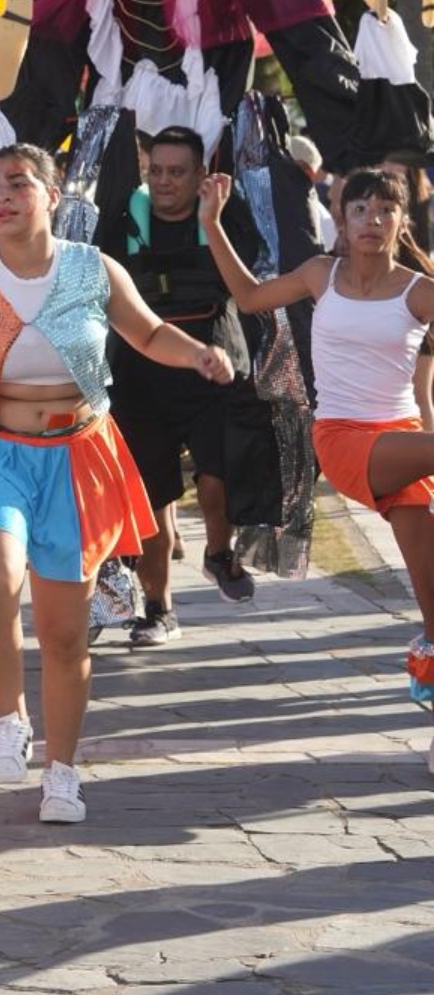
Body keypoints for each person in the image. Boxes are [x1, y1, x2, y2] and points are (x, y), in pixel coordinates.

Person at [0, 144, 234, 825]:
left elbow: (149, 334)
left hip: (77, 456)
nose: (2, 197)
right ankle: (9, 720)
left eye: (18, 184)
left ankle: (62, 773)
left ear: (52, 196)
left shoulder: (93, 268)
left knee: (62, 634)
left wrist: (198, 354)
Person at [201, 167, 434, 717]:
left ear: (401, 222)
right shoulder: (320, 275)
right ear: (341, 220)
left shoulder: (420, 291)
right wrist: (211, 222)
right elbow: (249, 297)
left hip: (403, 442)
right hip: (342, 438)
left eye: (385, 210)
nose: (373, 220)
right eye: (361, 209)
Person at [102, 126, 268, 646]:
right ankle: (158, 609)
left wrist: (212, 221)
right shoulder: (123, 220)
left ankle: (219, 551)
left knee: (216, 478)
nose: (165, 181)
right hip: (140, 381)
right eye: (156, 171)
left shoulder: (226, 215)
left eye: (177, 172)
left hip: (213, 370)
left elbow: (248, 285)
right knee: (153, 502)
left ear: (200, 175)